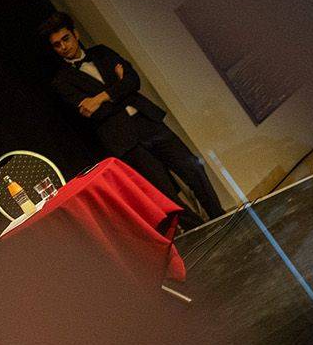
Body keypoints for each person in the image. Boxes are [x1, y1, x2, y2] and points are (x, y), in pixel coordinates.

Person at [40, 13, 225, 222]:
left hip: (148, 121)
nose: (63, 47)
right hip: (123, 139)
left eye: (66, 39)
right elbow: (95, 112)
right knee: (164, 193)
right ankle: (199, 230)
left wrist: (100, 97)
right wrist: (120, 87)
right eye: (57, 45)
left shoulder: (102, 52)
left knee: (193, 168)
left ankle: (220, 217)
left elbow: (133, 81)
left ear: (75, 34)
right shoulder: (62, 81)